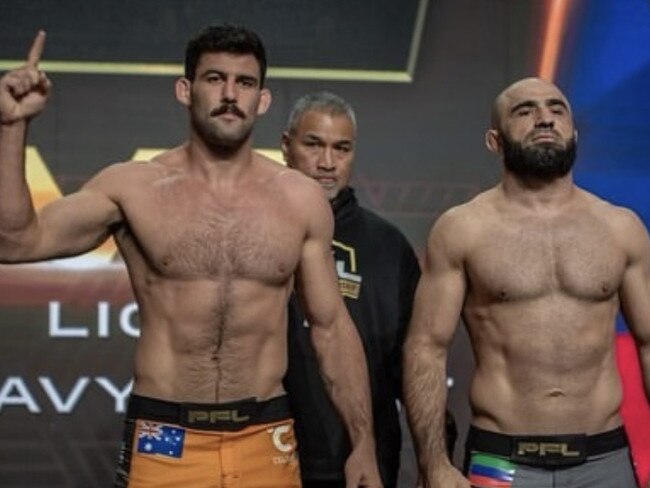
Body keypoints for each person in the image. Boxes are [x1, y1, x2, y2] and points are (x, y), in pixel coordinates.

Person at [0, 27, 383, 488]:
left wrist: (363, 443)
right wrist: (11, 126)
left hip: (266, 437)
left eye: (244, 83)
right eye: (214, 78)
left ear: (262, 100)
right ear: (186, 90)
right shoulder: (133, 187)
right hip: (165, 438)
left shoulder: (299, 200)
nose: (229, 94)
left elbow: (331, 328)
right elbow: (15, 241)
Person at [403, 77, 650, 488]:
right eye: (525, 111)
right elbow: (426, 348)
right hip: (502, 461)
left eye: (557, 109)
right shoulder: (463, 229)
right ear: (494, 141)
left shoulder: (620, 228)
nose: (545, 119)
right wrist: (434, 463)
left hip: (604, 460)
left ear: (574, 132)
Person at [280, 91, 421, 487]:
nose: (327, 162)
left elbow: (416, 366)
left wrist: (435, 456)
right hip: (267, 456)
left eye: (341, 148)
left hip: (363, 464)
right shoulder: (257, 235)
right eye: (314, 145)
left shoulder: (389, 247)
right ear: (286, 145)